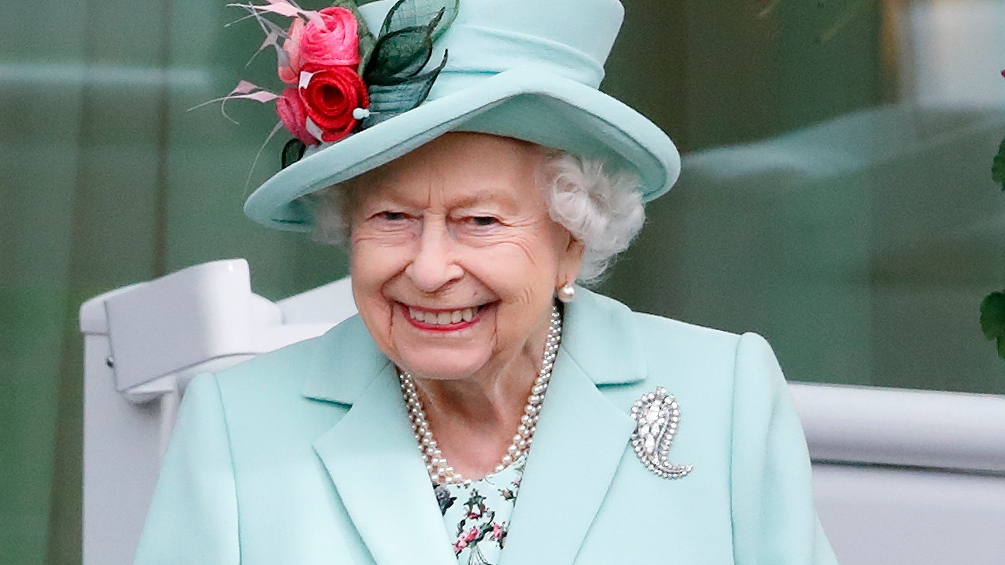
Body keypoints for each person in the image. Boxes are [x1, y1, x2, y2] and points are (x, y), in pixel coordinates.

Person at [135, 0, 838, 563]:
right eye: (392, 216)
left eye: (477, 220)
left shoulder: (724, 397)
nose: (431, 268)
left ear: (571, 240)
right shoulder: (237, 426)